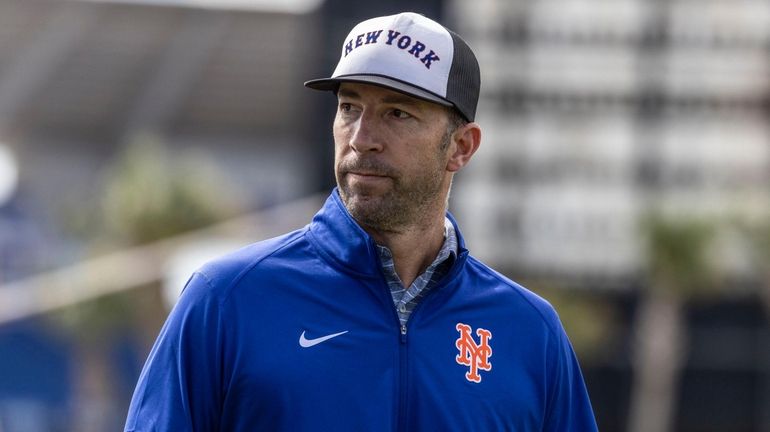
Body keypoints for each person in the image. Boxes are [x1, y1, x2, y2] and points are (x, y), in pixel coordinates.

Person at [124, 12, 598, 431]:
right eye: (350, 107)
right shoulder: (226, 298)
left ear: (461, 147)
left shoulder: (529, 331)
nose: (362, 138)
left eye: (397, 113)